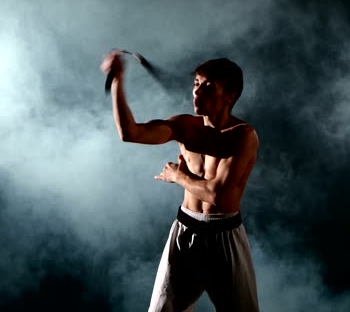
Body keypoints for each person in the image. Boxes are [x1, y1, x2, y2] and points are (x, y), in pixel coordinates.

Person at [100, 51, 259, 312]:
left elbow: (219, 196)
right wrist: (118, 79)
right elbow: (131, 133)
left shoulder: (243, 136)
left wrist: (178, 176)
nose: (197, 91)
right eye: (196, 84)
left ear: (229, 96)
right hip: (185, 230)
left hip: (224, 235)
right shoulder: (185, 126)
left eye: (208, 86)